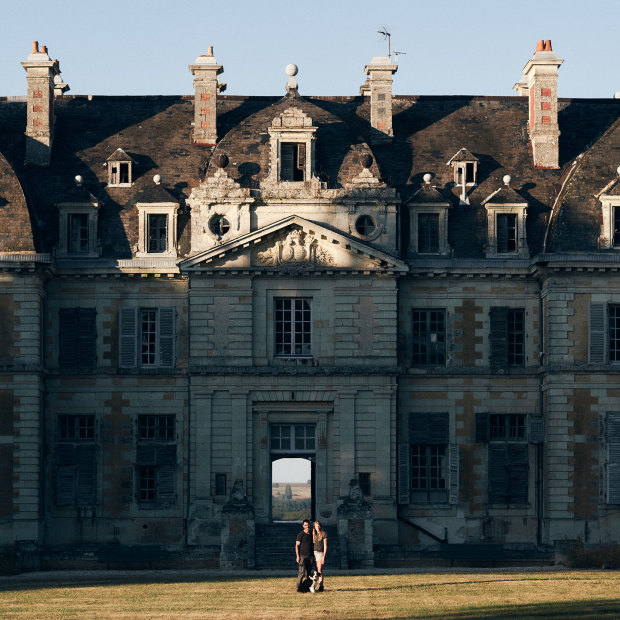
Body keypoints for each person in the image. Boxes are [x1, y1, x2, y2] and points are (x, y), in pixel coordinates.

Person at [295, 519, 313, 592]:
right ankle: (298, 587)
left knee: (308, 573)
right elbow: (297, 545)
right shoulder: (300, 534)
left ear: (310, 525)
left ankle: (307, 587)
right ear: (303, 526)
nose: (307, 526)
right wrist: (298, 556)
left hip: (311, 556)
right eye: (305, 525)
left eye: (308, 525)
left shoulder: (312, 534)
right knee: (301, 573)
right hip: (303, 556)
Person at [312, 520, 327, 592]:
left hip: (320, 553)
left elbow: (325, 546)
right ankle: (314, 585)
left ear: (320, 526)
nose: (317, 527)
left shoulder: (323, 534)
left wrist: (324, 556)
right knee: (315, 571)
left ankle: (321, 586)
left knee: (319, 570)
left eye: (318, 526)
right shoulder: (314, 534)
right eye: (315, 526)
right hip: (314, 553)